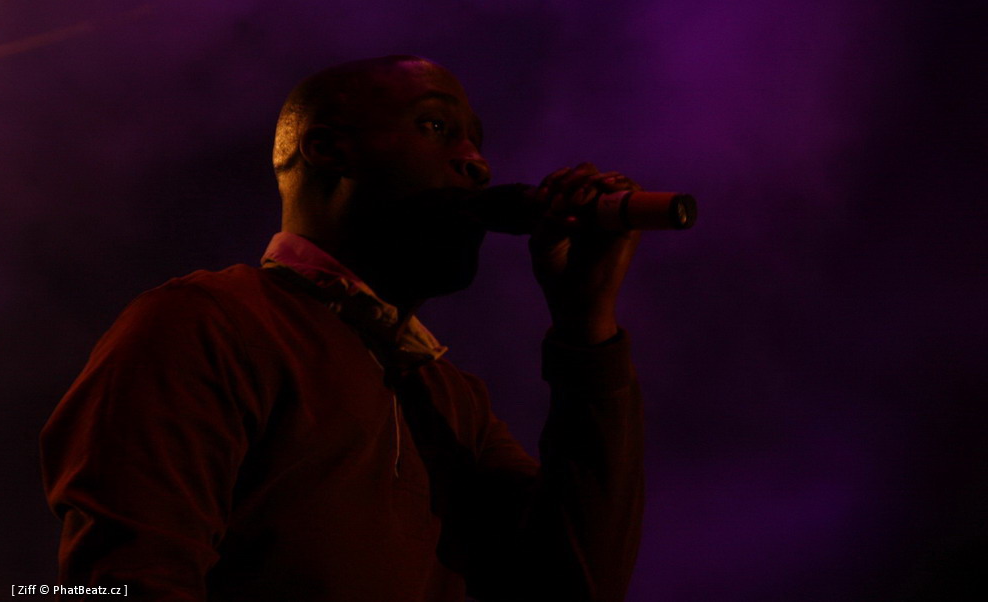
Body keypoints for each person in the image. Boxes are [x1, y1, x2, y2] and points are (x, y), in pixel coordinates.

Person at [41, 55, 645, 601]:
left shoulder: (451, 399)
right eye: (435, 125)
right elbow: (125, 582)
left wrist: (586, 326)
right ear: (328, 150)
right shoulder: (207, 324)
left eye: (477, 141)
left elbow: (578, 585)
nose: (477, 162)